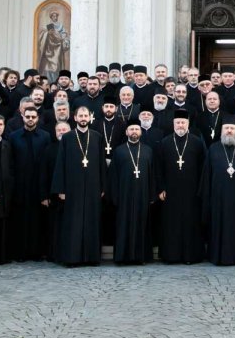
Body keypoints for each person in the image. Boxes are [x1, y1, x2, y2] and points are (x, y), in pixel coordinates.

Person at [51, 106, 106, 267]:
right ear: (74, 118)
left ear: (90, 118)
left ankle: (91, 257)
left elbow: (102, 163)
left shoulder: (97, 137)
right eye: (80, 115)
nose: (83, 118)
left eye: (85, 115)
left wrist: (103, 187)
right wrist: (60, 189)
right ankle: (72, 258)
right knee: (73, 223)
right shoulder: (67, 138)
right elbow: (60, 164)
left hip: (93, 188)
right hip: (71, 188)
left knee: (91, 221)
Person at [155, 109, 206, 264]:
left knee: (191, 223)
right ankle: (172, 256)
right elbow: (159, 168)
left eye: (183, 122)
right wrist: (161, 188)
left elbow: (203, 167)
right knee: (171, 224)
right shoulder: (165, 142)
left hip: (192, 192)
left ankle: (191, 256)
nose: (180, 125)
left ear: (188, 124)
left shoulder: (197, 142)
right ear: (173, 124)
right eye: (177, 123)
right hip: (171, 192)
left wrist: (200, 189)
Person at [200, 120, 235, 266]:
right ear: (221, 131)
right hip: (219, 196)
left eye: (232, 128)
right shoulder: (213, 148)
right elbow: (207, 175)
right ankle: (219, 257)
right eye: (226, 128)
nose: (229, 130)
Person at [104, 121, 157, 265]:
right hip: (124, 196)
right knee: (123, 225)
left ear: (140, 132)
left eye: (136, 129)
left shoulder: (148, 150)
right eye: (131, 129)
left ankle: (140, 257)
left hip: (143, 194)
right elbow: (113, 176)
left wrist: (152, 195)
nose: (134, 131)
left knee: (142, 224)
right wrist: (114, 196)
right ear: (127, 132)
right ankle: (122, 257)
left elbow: (152, 174)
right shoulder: (119, 150)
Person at [6, 108, 53, 261]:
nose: (31, 119)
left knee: (38, 220)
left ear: (38, 118)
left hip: (38, 184)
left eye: (33, 116)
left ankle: (37, 252)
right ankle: (20, 253)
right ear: (23, 117)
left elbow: (47, 163)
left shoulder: (45, 136)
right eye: (28, 117)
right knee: (20, 220)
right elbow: (10, 162)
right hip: (20, 184)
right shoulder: (14, 137)